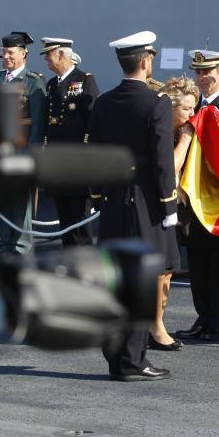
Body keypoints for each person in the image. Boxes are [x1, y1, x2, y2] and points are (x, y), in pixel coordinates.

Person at [89, 30, 175, 381]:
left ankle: (115, 357)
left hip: (112, 198)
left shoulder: (104, 103)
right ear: (145, 61)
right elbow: (161, 161)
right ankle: (134, 360)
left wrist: (97, 194)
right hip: (144, 201)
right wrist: (169, 204)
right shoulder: (157, 103)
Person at [174, 50, 219, 342]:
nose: (203, 78)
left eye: (209, 72)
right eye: (199, 72)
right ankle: (203, 316)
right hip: (193, 197)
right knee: (198, 260)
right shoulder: (192, 108)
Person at [147, 75, 200, 351]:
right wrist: (188, 138)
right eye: (186, 109)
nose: (192, 114)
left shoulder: (177, 128)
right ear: (171, 107)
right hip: (157, 206)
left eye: (194, 108)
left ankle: (155, 322)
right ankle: (155, 327)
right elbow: (171, 168)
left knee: (167, 269)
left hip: (172, 206)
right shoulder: (162, 129)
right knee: (161, 268)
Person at [40, 37, 98, 247]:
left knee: (79, 220)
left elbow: (92, 120)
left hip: (78, 161)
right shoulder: (51, 85)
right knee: (64, 217)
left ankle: (85, 265)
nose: (46, 60)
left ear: (62, 55)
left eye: (49, 55)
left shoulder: (85, 80)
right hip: (58, 161)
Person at [0, 31, 46, 255]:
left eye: (11, 52)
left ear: (24, 54)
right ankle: (5, 241)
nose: (6, 56)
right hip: (0, 150)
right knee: (3, 197)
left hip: (22, 148)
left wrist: (30, 152)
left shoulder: (33, 81)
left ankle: (21, 245)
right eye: (4, 52)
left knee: (21, 202)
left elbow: (38, 122)